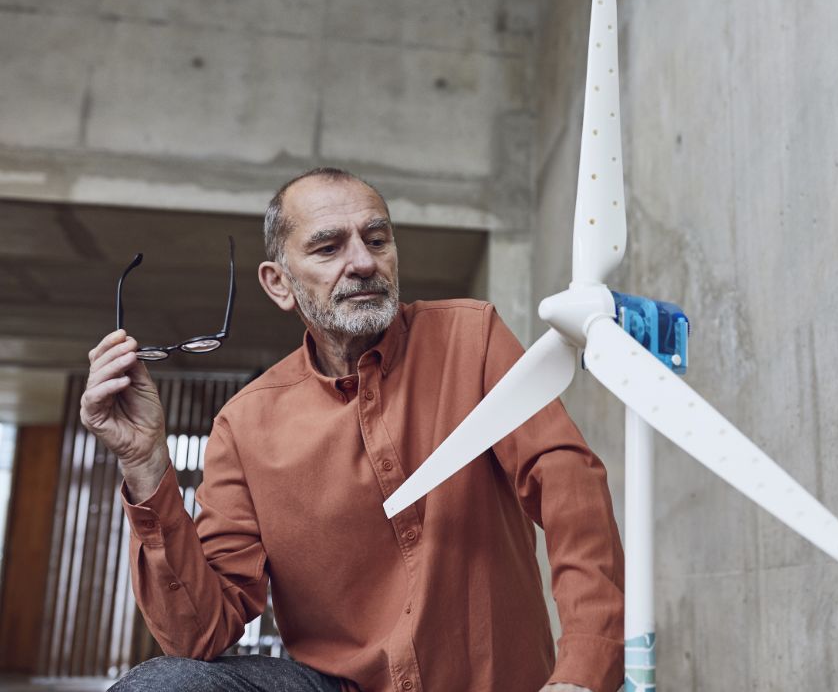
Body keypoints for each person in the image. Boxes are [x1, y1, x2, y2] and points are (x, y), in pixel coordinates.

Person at [81, 168, 625, 692]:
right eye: (328, 247)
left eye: (377, 239)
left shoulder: (473, 338)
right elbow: (199, 634)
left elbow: (566, 483)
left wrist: (583, 668)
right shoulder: (245, 426)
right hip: (331, 686)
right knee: (164, 686)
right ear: (279, 284)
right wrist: (144, 462)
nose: (363, 262)